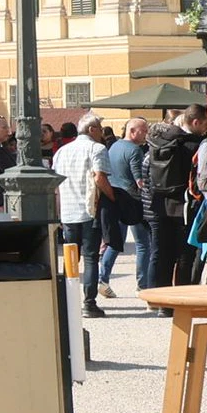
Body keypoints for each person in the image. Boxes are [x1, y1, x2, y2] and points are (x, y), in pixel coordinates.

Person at [140, 108, 206, 293]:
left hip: (159, 203)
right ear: (195, 122)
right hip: (184, 204)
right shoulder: (195, 144)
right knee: (185, 253)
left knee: (162, 253)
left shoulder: (156, 141)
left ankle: (162, 301)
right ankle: (183, 297)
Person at [52, 118, 108, 315]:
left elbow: (55, 183)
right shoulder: (96, 149)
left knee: (71, 258)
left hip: (68, 210)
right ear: (91, 129)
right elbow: (99, 177)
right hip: (88, 210)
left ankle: (68, 299)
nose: (102, 132)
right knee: (91, 257)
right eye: (100, 129)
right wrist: (112, 196)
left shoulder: (62, 151)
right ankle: (89, 303)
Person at [92, 119, 147, 308]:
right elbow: (139, 181)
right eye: (144, 130)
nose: (146, 134)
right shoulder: (135, 151)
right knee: (143, 245)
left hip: (114, 198)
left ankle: (103, 279)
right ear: (132, 131)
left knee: (115, 242)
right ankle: (142, 285)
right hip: (133, 201)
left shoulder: (113, 147)